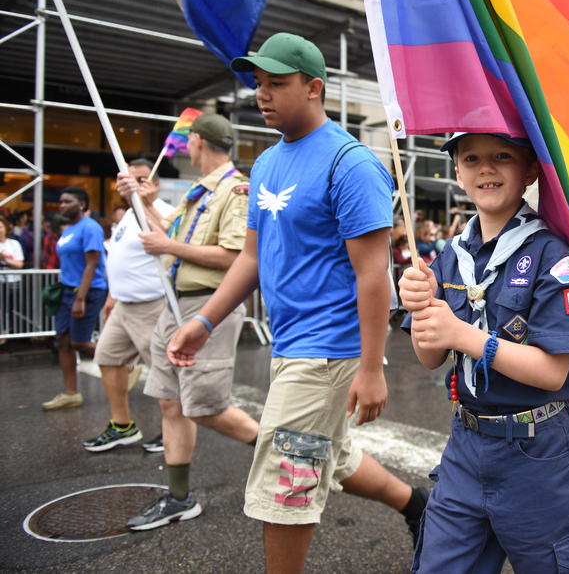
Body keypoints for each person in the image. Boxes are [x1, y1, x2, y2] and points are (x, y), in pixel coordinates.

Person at [164, 33, 428, 572]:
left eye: (276, 84)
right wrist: (205, 321)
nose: (262, 94)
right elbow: (252, 259)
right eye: (258, 84)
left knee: (285, 482)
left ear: (313, 88)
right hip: (291, 346)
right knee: (332, 458)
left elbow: (373, 275)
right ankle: (419, 505)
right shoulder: (264, 164)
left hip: (328, 352)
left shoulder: (350, 163)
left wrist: (373, 366)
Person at [399, 131, 569, 573]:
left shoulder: (553, 254)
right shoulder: (448, 258)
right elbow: (430, 357)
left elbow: (554, 373)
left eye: (502, 156)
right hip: (467, 445)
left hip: (539, 454)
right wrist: (421, 309)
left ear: (530, 169)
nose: (486, 168)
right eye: (471, 158)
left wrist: (464, 335)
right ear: (457, 172)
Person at [116, 113, 259, 530]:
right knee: (169, 401)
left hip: (207, 308)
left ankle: (281, 450)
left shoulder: (236, 190)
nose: (185, 148)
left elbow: (236, 257)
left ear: (195, 141)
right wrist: (140, 200)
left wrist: (168, 244)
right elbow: (165, 233)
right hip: (175, 305)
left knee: (206, 408)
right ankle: (178, 497)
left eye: (188, 142)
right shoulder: (198, 192)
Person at [82, 158, 176, 453]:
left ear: (156, 184)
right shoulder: (125, 215)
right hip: (124, 304)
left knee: (164, 372)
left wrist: (144, 205)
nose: (133, 183)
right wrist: (112, 295)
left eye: (142, 178)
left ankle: (172, 430)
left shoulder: (164, 212)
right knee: (107, 357)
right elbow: (121, 256)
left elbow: (173, 242)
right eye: (129, 178)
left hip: (152, 304)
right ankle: (123, 426)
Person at [44, 187, 108, 410]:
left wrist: (80, 298)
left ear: (81, 203)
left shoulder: (91, 228)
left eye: (67, 202)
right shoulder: (69, 228)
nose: (61, 206)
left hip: (87, 292)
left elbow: (92, 264)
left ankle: (124, 365)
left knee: (78, 342)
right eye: (60, 202)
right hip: (67, 290)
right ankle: (71, 393)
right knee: (62, 340)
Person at [0, 217, 24, 349]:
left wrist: (6, 261)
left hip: (12, 282)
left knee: (8, 310)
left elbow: (19, 264)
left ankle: (5, 337)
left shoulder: (14, 244)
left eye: (1, 227)